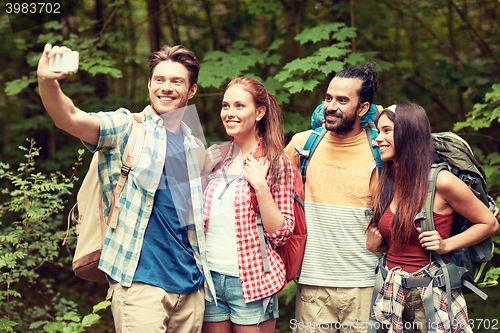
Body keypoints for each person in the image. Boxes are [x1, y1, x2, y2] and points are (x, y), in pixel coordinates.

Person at [37, 43, 216, 333]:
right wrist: (48, 81)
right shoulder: (127, 128)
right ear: (149, 84)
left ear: (191, 90)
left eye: (176, 81)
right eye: (159, 79)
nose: (166, 87)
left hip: (191, 291)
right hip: (140, 286)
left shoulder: (194, 146)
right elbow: (69, 117)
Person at [366, 102, 498, 333]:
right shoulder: (385, 179)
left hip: (431, 295)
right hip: (390, 295)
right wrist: (373, 239)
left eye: (387, 130)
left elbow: (489, 222)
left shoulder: (441, 181)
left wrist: (446, 244)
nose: (378, 138)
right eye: (378, 131)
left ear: (409, 133)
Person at [284, 64, 381, 333]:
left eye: (342, 100)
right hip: (313, 283)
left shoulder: (380, 149)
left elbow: (412, 196)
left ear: (363, 108)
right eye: (328, 98)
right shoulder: (302, 145)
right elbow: (269, 195)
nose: (331, 106)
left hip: (365, 282)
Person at [201, 77, 295, 333]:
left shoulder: (276, 160)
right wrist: (201, 174)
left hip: (251, 282)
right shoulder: (216, 156)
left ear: (259, 112)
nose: (229, 113)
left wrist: (261, 187)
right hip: (209, 280)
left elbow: (282, 232)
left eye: (239, 106)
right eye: (225, 106)